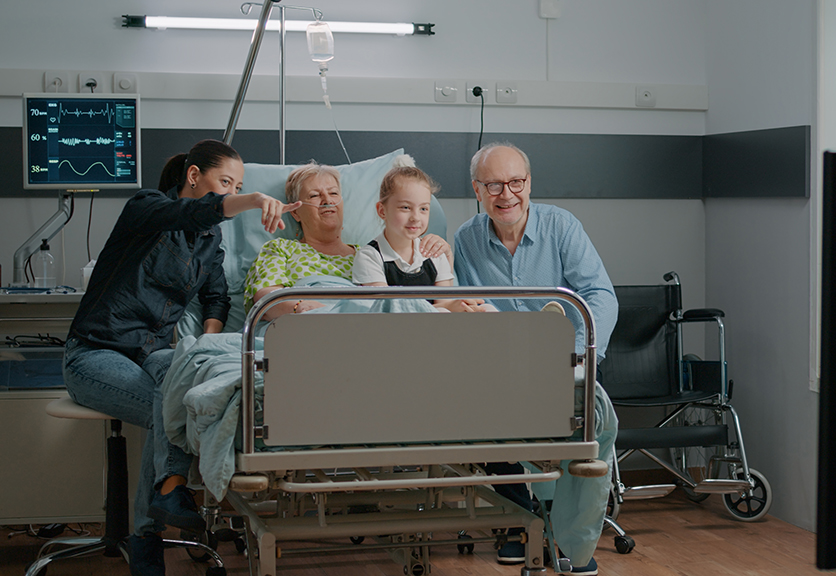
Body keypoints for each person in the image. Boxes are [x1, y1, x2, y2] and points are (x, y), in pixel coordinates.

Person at [62, 139, 300, 576]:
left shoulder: (209, 241)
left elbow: (215, 297)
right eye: (225, 182)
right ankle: (154, 526)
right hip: (95, 351)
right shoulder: (146, 208)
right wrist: (251, 200)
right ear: (194, 177)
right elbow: (192, 212)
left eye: (239, 184)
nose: (231, 190)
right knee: (167, 404)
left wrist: (203, 343)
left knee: (178, 382)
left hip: (151, 351)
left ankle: (164, 501)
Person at [453, 142, 618, 576]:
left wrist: (579, 354)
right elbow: (471, 311)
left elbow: (601, 296)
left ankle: (570, 536)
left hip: (567, 357)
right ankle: (517, 521)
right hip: (503, 363)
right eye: (493, 185)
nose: (506, 194)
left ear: (529, 184)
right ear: (477, 189)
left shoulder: (562, 227)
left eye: (516, 182)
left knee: (585, 420)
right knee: (479, 406)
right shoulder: (467, 240)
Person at [243, 161, 453, 320]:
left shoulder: (372, 254)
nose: (327, 201)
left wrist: (443, 252)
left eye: (334, 193)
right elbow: (265, 298)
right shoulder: (280, 249)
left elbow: (401, 303)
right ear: (296, 213)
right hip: (304, 325)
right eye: (315, 195)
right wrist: (300, 308)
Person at [351, 165, 492, 312]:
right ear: (382, 210)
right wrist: (448, 307)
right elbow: (386, 309)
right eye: (405, 207)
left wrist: (462, 305)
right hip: (394, 330)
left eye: (423, 209)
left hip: (437, 325)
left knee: (487, 309)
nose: (415, 218)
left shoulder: (434, 252)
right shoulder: (369, 257)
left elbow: (445, 302)